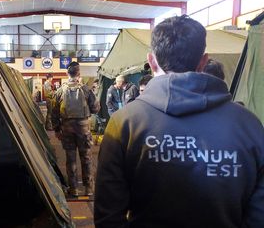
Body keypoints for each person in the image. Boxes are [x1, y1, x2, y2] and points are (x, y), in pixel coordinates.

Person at [94, 15, 264, 228]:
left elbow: (108, 215)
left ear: (151, 61)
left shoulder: (124, 123)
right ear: (203, 61)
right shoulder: (249, 125)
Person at [52, 61, 100, 197]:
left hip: (67, 129)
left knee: (70, 159)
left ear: (67, 73)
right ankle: (89, 188)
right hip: (84, 129)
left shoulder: (60, 90)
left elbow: (54, 112)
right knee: (86, 158)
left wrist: (56, 129)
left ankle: (73, 189)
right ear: (79, 74)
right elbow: (96, 108)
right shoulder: (85, 89)